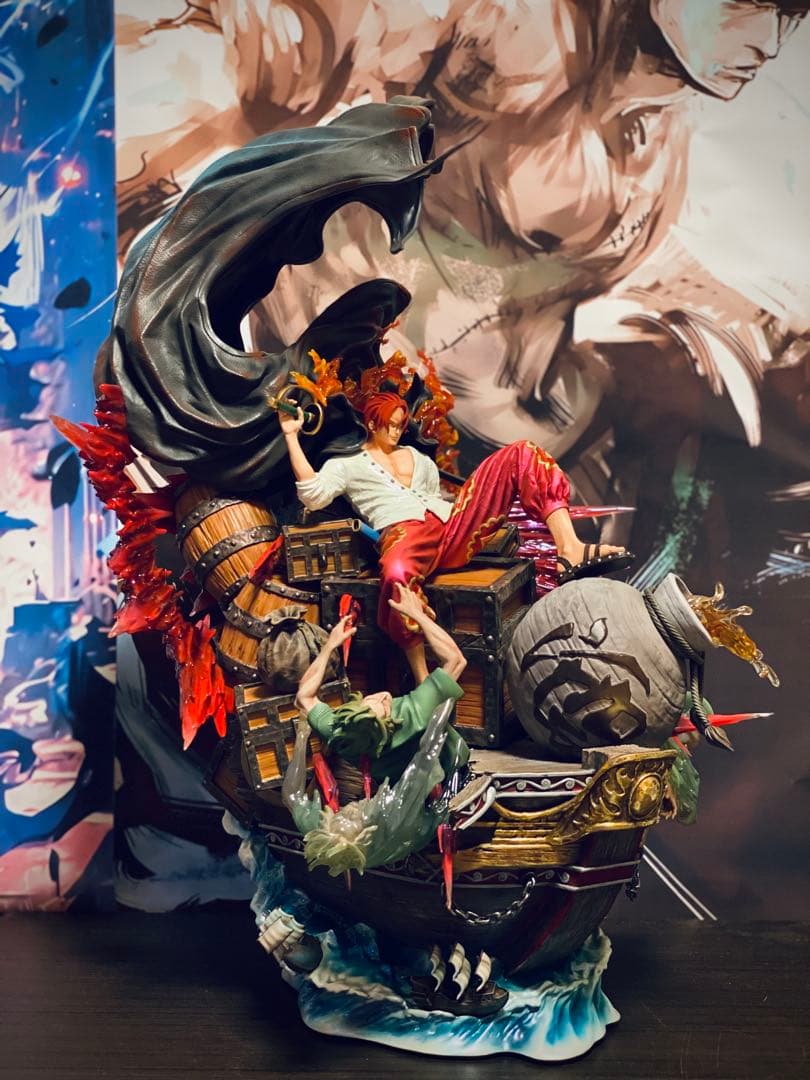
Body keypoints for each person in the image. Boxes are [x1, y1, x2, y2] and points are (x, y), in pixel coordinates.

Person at [283, 390, 632, 681]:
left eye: (401, 424)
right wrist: (291, 436)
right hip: (404, 532)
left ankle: (569, 548)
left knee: (522, 452)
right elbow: (313, 494)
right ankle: (423, 680)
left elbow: (435, 496)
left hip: (451, 523)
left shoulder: (417, 458)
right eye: (390, 424)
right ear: (372, 424)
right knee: (396, 575)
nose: (396, 431)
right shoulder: (347, 464)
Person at [294, 583, 469, 786]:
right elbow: (456, 660)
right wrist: (418, 615)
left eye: (371, 700)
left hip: (399, 786)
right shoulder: (414, 714)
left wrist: (330, 646)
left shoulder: (341, 733)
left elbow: (304, 696)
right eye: (384, 706)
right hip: (451, 772)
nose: (383, 696)